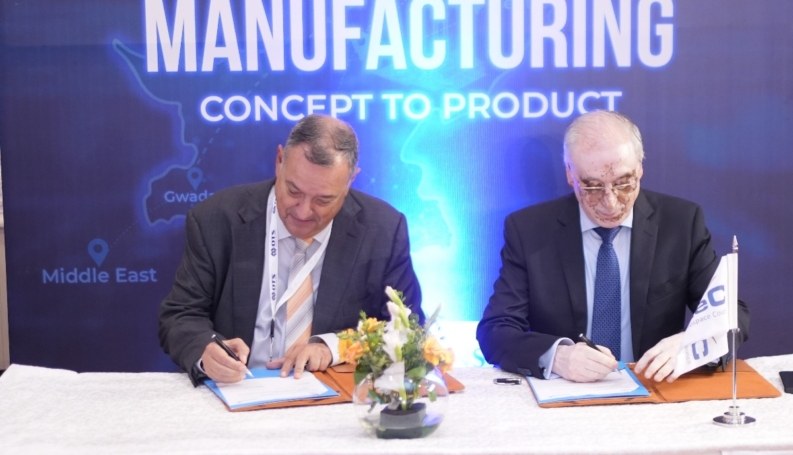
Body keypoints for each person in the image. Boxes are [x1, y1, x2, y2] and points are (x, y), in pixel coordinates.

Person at [477, 110, 749, 383]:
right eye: (592, 187)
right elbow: (496, 330)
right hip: (567, 391)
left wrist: (692, 344)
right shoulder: (530, 230)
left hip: (654, 387)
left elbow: (732, 314)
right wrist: (557, 356)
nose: (610, 202)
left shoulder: (681, 223)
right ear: (570, 174)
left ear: (640, 168)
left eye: (623, 183)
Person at [159, 115, 423, 385]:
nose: (303, 212)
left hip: (332, 394)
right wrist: (206, 350)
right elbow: (180, 315)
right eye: (293, 191)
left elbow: (409, 329)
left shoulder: (383, 230)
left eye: (323, 200)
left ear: (350, 180)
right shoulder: (217, 219)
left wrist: (334, 348)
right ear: (279, 161)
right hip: (238, 388)